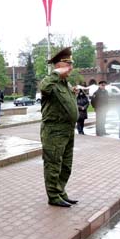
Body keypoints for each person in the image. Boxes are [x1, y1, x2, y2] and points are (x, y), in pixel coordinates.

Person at [39, 47, 78, 208]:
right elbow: (43, 88)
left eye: (71, 64)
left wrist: (73, 93)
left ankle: (61, 191)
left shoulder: (65, 84)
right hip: (54, 131)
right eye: (67, 64)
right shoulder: (51, 81)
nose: (71, 68)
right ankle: (53, 196)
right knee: (53, 164)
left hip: (67, 131)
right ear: (59, 65)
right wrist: (56, 74)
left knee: (66, 165)